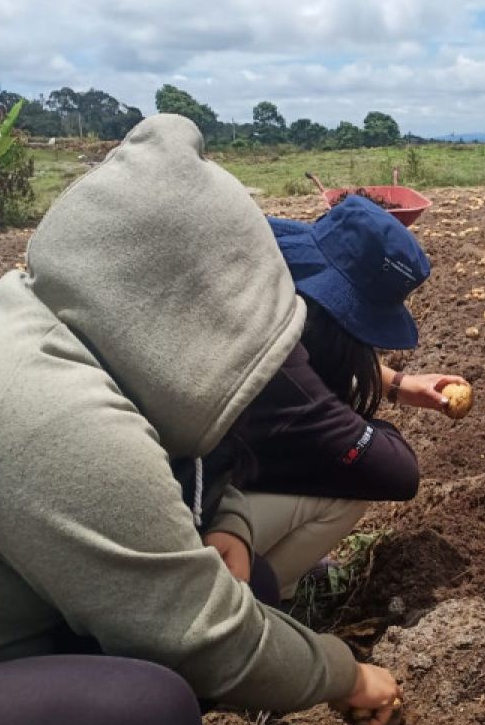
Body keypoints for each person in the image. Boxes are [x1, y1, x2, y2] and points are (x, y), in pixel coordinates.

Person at [0, 116, 401, 725]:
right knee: (143, 709)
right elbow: (200, 635)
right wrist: (346, 674)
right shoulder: (57, 420)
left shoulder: (45, 332)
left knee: (217, 606)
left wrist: (232, 527)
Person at [196, 196, 467, 601]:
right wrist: (368, 428)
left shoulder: (256, 305)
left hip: (188, 474)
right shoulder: (290, 380)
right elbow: (398, 474)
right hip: (182, 522)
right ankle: (249, 602)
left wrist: (397, 384)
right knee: (347, 492)